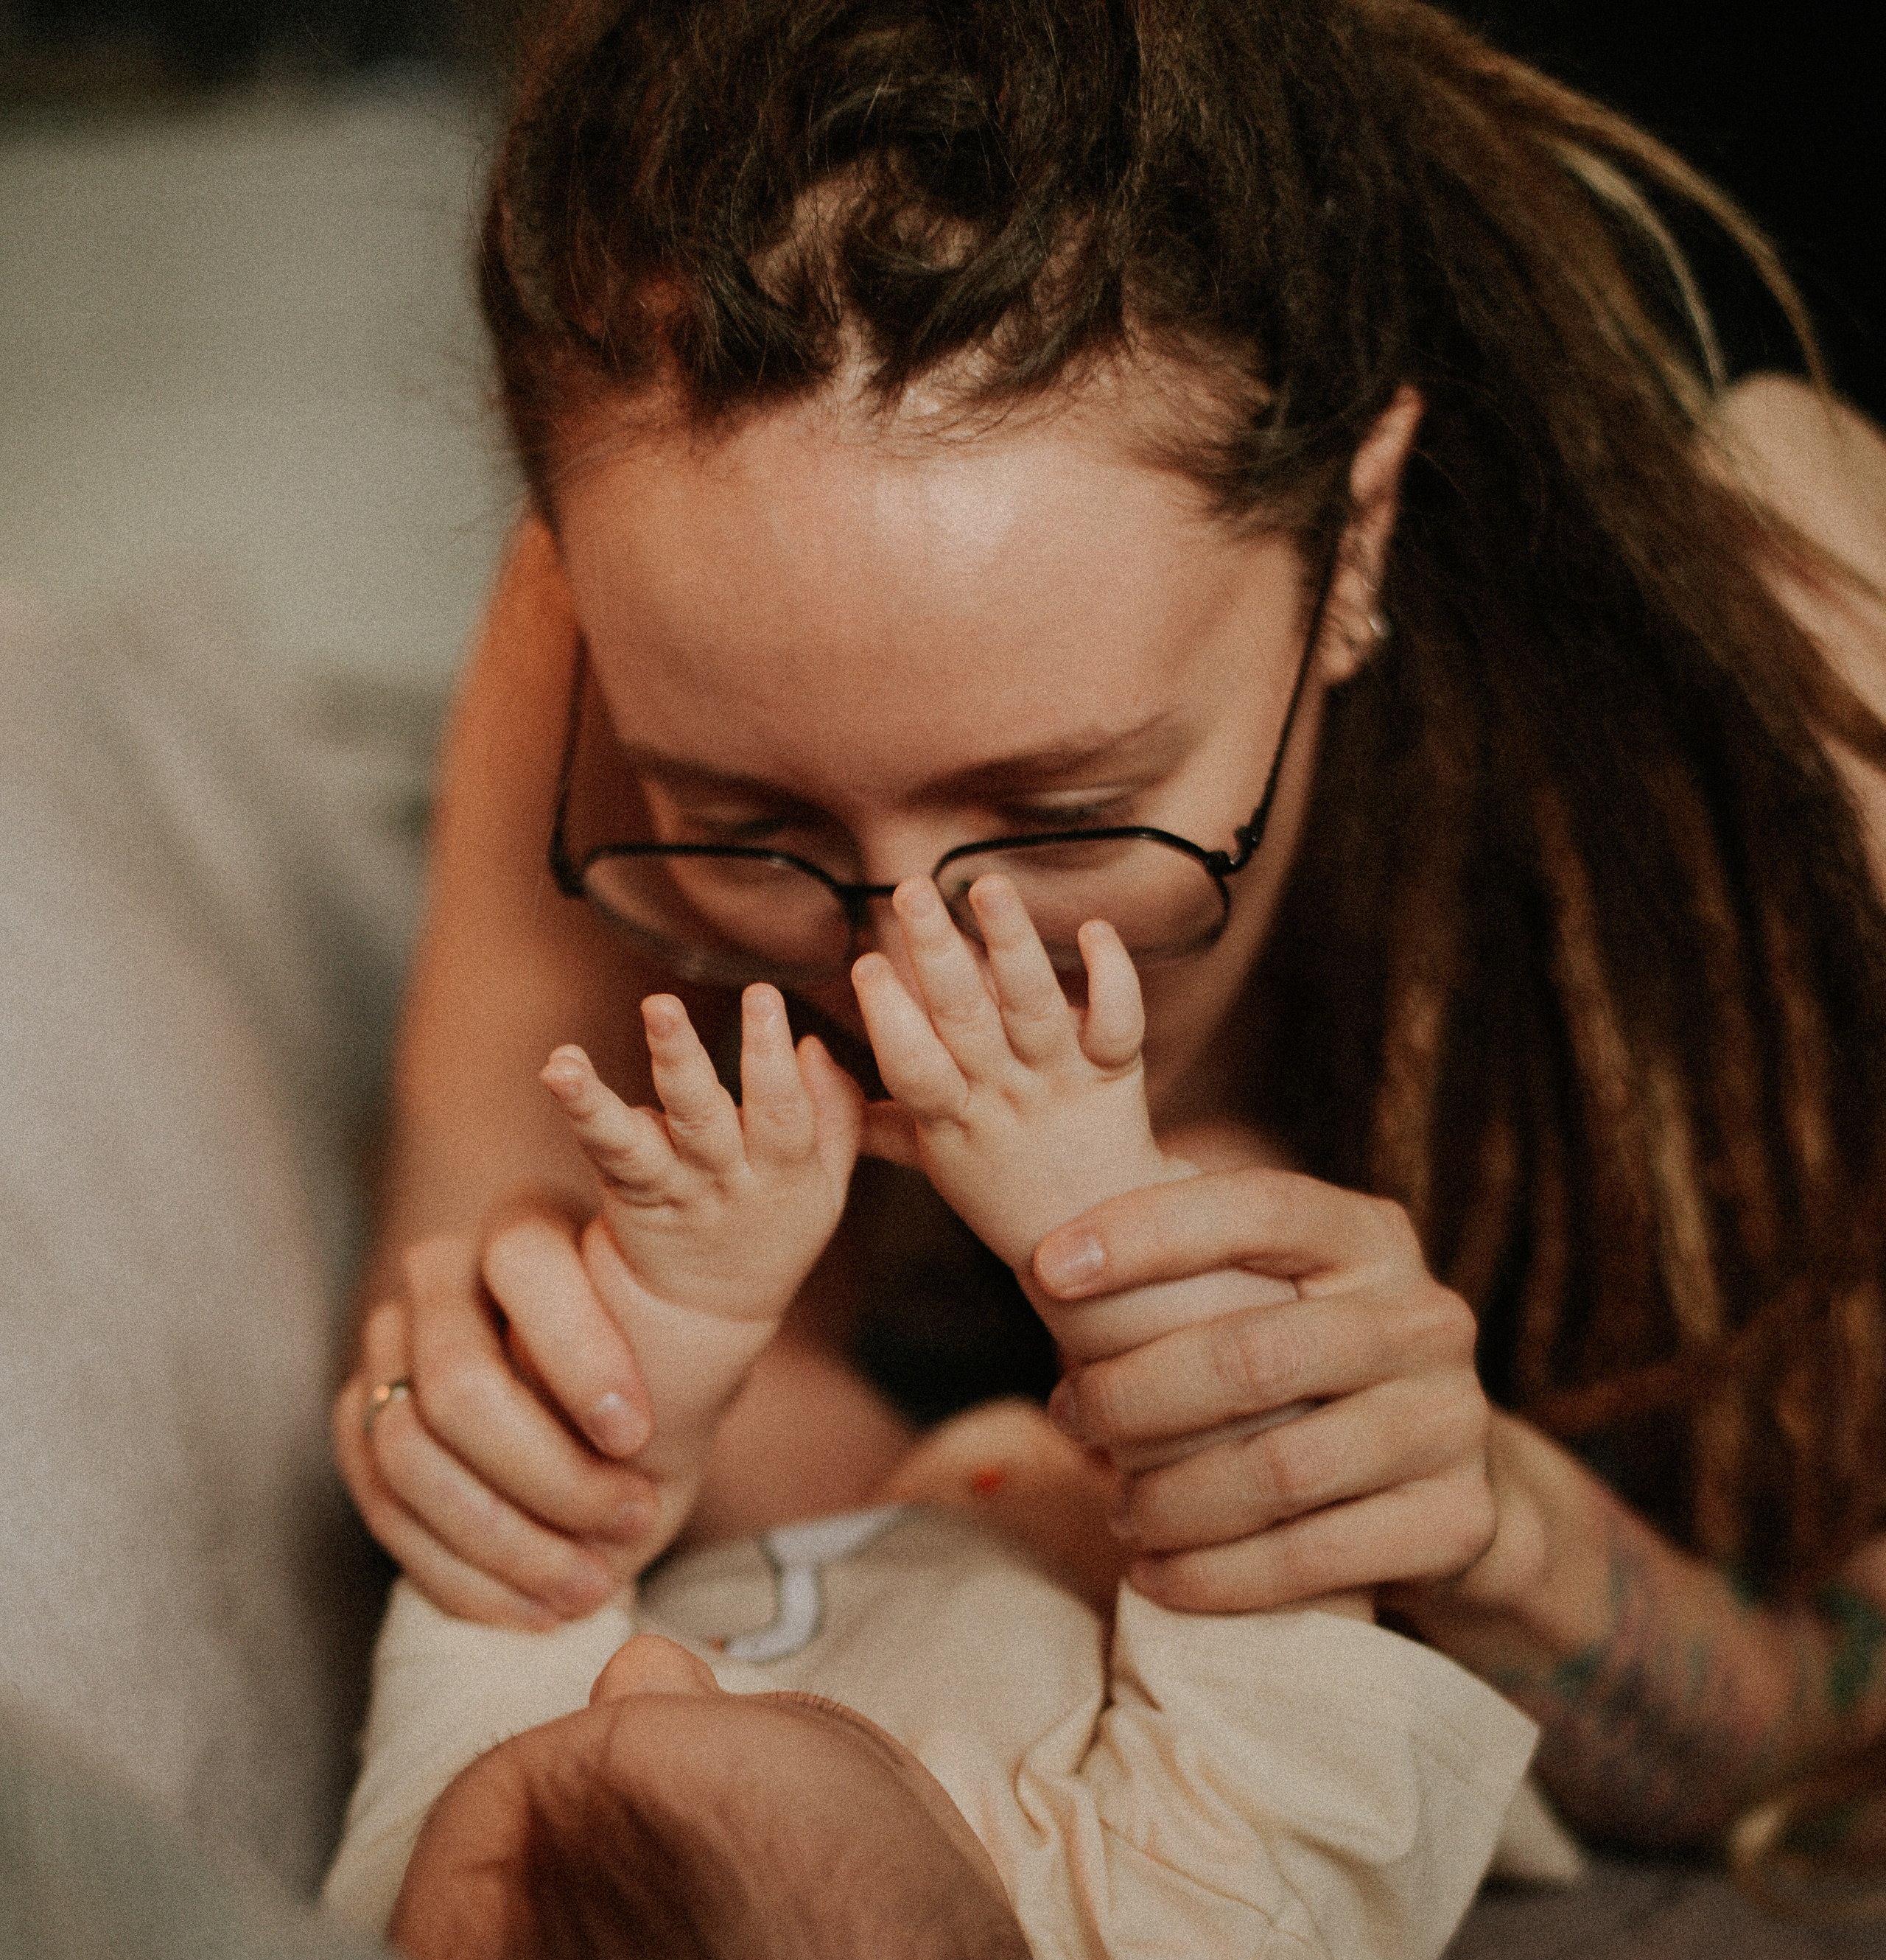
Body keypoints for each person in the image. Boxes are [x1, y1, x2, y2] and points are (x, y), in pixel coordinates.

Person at [333, 0, 1886, 1860]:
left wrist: (1497, 1534)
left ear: (1358, 544)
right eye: (749, 826)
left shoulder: (1783, 654)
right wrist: (539, 1431)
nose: (908, 989)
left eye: (1067, 815)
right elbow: (475, 1303)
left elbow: (1840, 1706)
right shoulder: (613, 636)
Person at [329, 900, 1539, 1960]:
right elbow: (1263, 1531)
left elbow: (529, 1585)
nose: (637, 1664)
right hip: (1122, 1515)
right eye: (816, 1742)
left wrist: (683, 1314)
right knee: (1253, 1191)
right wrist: (1083, 1212)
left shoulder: (428, 1944)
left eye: (563, 1737)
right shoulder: (1198, 1951)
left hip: (829, 1500)